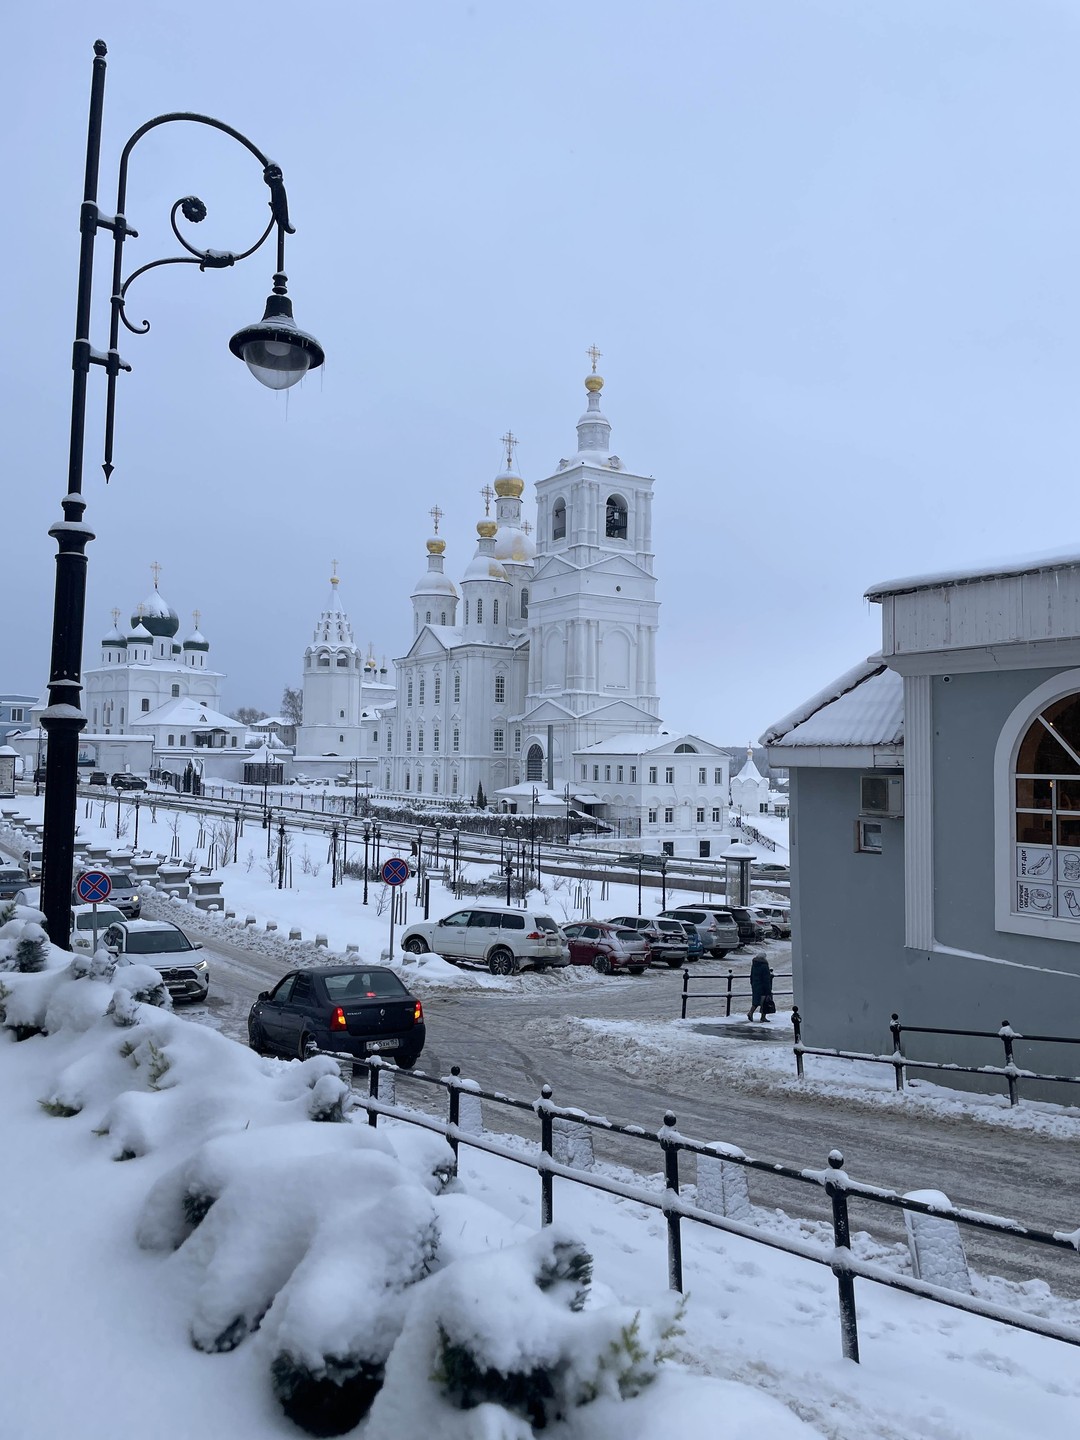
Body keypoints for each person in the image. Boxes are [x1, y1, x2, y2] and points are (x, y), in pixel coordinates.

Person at [748, 952, 774, 1022]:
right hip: (763, 987)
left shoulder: (754, 965)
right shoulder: (764, 965)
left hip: (755, 985)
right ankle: (763, 1017)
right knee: (765, 1002)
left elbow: (751, 975)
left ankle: (750, 1013)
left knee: (756, 1001)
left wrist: (752, 983)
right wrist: (768, 989)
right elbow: (766, 979)